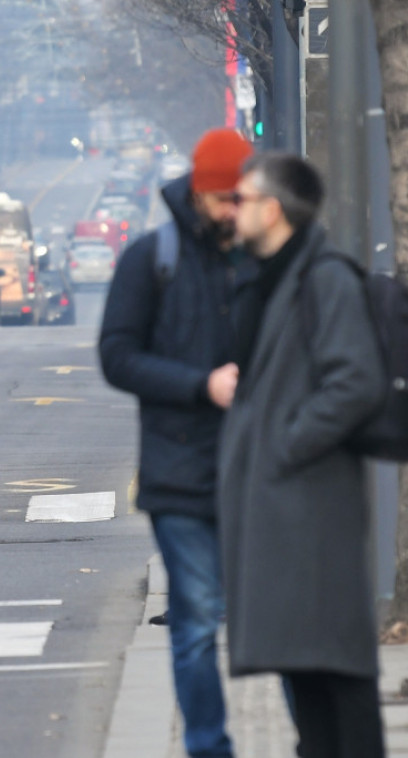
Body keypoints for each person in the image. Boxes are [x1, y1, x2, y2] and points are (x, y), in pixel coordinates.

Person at [218, 152, 386, 757]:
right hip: (286, 507)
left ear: (275, 209)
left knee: (337, 668)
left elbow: (356, 381)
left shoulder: (324, 277)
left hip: (314, 503)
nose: (232, 209)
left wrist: (286, 442)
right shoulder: (270, 276)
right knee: (304, 666)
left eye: (243, 199)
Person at [99, 127, 255, 758]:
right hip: (181, 473)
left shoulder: (260, 254)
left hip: (258, 471)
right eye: (224, 202)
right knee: (195, 626)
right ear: (199, 194)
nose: (233, 214)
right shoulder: (151, 259)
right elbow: (117, 355)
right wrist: (200, 385)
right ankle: (208, 748)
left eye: (242, 200)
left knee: (278, 622)